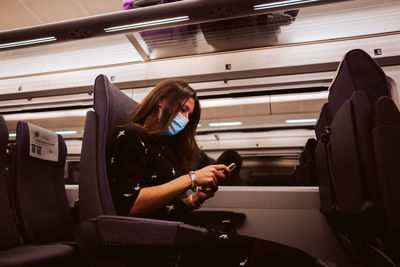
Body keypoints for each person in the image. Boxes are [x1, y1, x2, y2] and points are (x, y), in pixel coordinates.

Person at [108, 79, 319, 267]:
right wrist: (191, 179)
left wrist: (194, 200)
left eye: (189, 114)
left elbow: (164, 210)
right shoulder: (131, 136)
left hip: (179, 233)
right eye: (183, 109)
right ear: (161, 100)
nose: (185, 118)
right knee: (288, 260)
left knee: (294, 258)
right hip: (164, 243)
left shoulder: (162, 148)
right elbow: (131, 205)